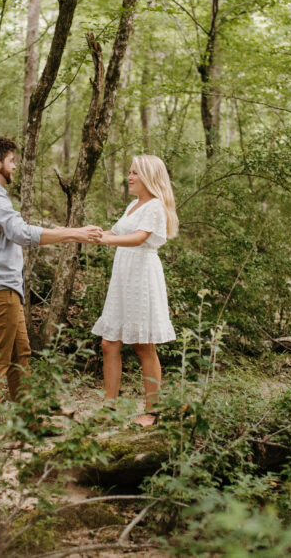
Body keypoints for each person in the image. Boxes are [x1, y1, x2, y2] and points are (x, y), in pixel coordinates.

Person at [0, 136, 103, 418]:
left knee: (20, 356)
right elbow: (23, 233)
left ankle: (27, 424)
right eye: (12, 161)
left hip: (5, 288)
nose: (14, 166)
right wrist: (74, 233)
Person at [92, 154, 179, 427]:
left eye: (135, 173)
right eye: (130, 172)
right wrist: (95, 233)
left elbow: (139, 237)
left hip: (142, 275)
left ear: (150, 178)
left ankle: (153, 411)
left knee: (143, 344)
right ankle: (109, 408)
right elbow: (120, 233)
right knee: (109, 343)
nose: (129, 177)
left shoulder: (154, 206)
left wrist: (109, 240)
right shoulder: (133, 204)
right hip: (123, 275)